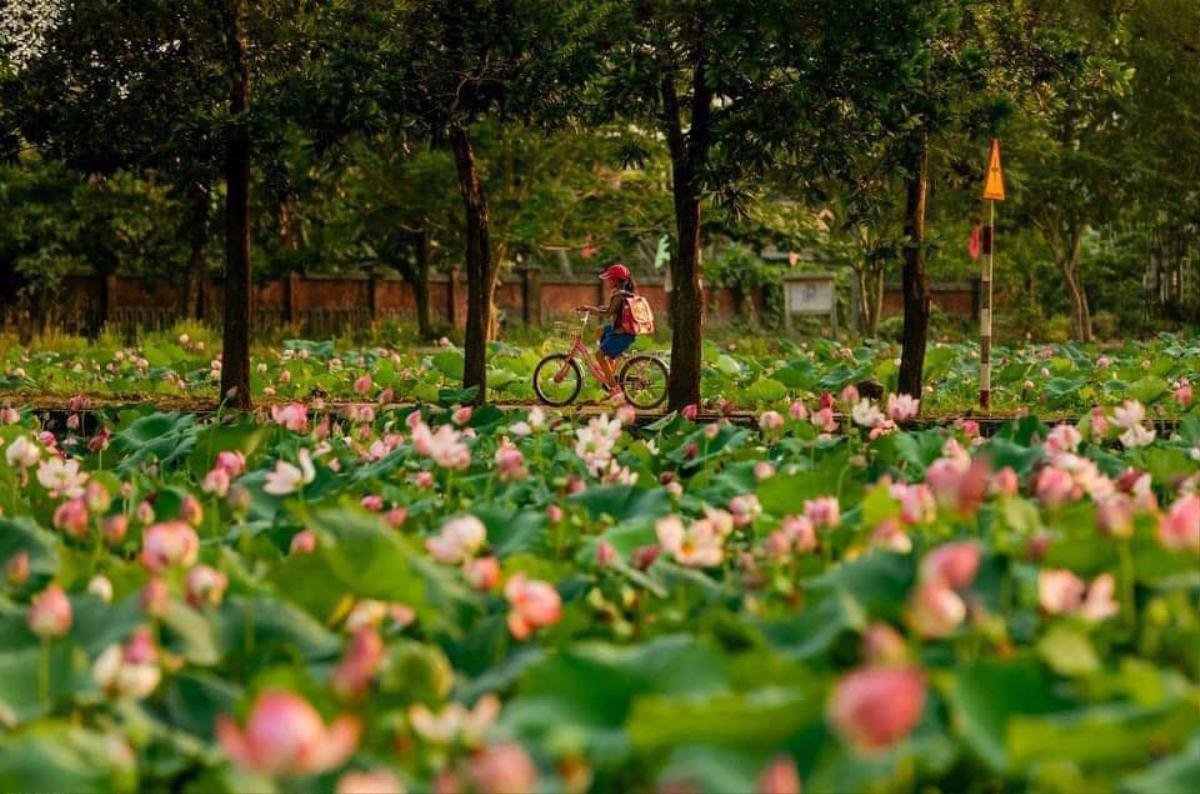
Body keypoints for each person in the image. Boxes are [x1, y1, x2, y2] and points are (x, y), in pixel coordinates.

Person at [577, 262, 637, 391]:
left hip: (622, 333)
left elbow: (608, 314)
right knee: (600, 330)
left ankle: (612, 386)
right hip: (622, 330)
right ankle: (609, 361)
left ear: (615, 280)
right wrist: (597, 309)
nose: (607, 282)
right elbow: (614, 310)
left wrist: (589, 308)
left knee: (599, 355)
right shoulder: (623, 293)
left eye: (609, 279)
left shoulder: (619, 295)